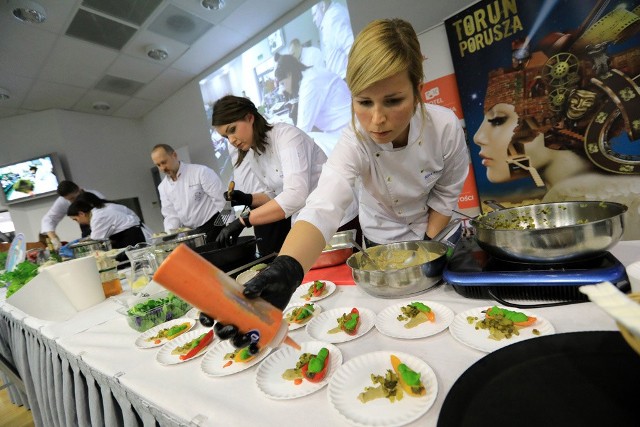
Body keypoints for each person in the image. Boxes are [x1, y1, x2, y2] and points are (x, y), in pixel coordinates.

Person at [206, 19, 469, 350]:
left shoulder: (444, 128)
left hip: (433, 234)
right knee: (396, 332)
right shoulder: (354, 140)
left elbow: (445, 197)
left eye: (393, 100)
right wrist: (287, 270)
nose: (376, 120)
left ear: (417, 91)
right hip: (380, 241)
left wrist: (425, 248)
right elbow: (323, 205)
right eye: (363, 102)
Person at [211, 95, 360, 253]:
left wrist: (243, 221)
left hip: (336, 218)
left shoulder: (287, 136)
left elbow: (295, 195)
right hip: (309, 223)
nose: (232, 140)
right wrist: (248, 198)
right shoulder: (253, 156)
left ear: (249, 117)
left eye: (232, 130)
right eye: (226, 137)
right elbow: (274, 195)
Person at [150, 144, 226, 243]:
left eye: (164, 162)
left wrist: (229, 226)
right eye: (158, 165)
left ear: (174, 155)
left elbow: (224, 201)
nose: (162, 168)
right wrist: (169, 236)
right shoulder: (163, 187)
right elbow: (170, 215)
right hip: (192, 233)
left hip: (216, 225)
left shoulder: (200, 172)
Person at [274, 53, 351, 137]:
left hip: (347, 131)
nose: (284, 89)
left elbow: (302, 131)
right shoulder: (311, 73)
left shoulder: (309, 83)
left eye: (283, 83)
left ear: (289, 74)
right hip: (345, 126)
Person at [67, 192, 153, 249]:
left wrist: (75, 246)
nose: (78, 222)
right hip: (137, 234)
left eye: (76, 219)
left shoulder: (98, 216)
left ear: (81, 213)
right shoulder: (105, 207)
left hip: (134, 238)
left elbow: (96, 242)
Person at [41, 180, 105, 249]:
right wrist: (54, 239)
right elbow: (49, 219)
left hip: (103, 226)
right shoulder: (63, 200)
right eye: (68, 199)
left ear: (79, 189)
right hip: (86, 230)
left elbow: (105, 217)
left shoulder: (95, 196)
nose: (72, 201)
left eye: (73, 198)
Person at [311, 0, 354, 79]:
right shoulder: (330, 18)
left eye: (314, 14)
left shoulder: (333, 18)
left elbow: (351, 46)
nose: (313, 20)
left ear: (322, 6)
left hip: (347, 77)